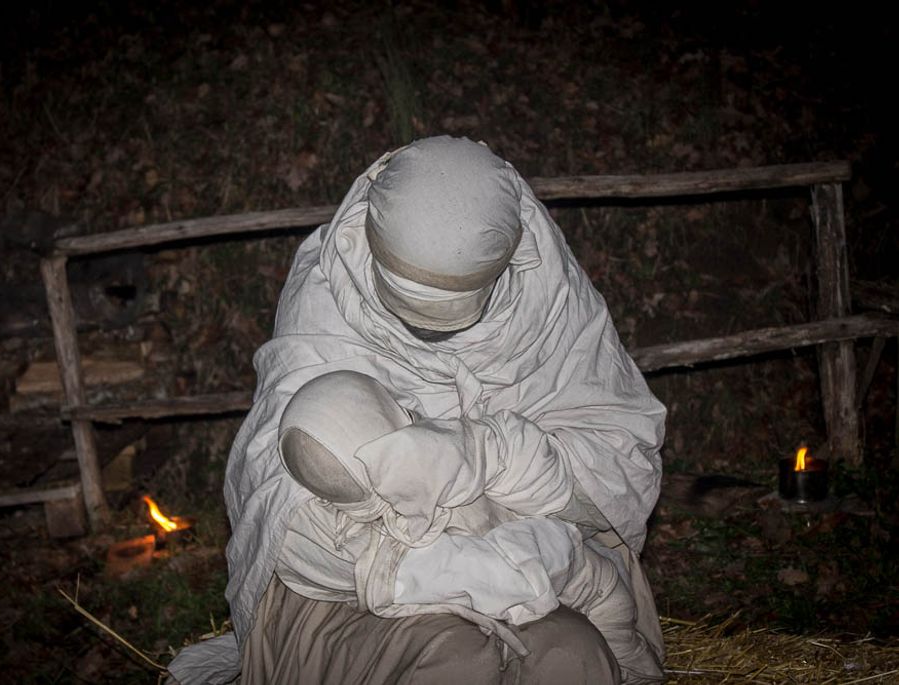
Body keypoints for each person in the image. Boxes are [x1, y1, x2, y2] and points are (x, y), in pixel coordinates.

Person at [169, 135, 666, 684]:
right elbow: (287, 499)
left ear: (510, 259)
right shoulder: (327, 297)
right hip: (362, 580)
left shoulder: (549, 298)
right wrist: (426, 567)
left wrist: (491, 454)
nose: (427, 333)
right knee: (455, 659)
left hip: (537, 556)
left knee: (572, 655)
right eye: (409, 308)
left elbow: (618, 468)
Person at [275, 369, 662, 681]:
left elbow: (582, 568)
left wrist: (479, 451)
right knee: (458, 662)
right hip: (457, 603)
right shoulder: (320, 533)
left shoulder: (469, 468)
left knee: (571, 653)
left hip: (549, 573)